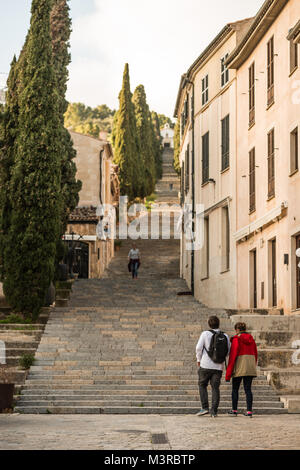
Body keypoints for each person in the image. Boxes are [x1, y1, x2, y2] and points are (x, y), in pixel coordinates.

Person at [196, 316, 230, 418]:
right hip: (218, 366)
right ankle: (214, 411)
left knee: (202, 385)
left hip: (205, 365)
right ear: (219, 323)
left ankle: (205, 408)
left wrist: (198, 359)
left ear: (209, 324)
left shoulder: (205, 334)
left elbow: (198, 348)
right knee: (215, 388)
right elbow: (228, 351)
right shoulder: (225, 335)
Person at [225, 322, 258, 418]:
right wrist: (253, 365)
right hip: (250, 366)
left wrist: (228, 373)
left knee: (235, 389)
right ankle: (249, 411)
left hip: (239, 366)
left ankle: (234, 410)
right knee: (248, 389)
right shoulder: (251, 339)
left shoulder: (236, 339)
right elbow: (255, 354)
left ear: (237, 330)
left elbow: (232, 356)